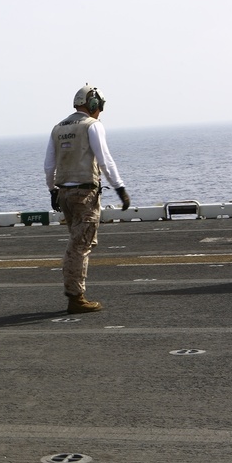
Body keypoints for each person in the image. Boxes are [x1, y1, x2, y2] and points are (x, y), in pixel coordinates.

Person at [45, 84, 131, 314]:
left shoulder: (58, 128)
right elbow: (105, 160)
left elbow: (49, 165)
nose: (100, 112)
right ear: (93, 104)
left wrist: (52, 189)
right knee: (79, 247)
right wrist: (120, 188)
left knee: (79, 242)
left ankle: (76, 294)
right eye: (99, 107)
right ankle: (76, 297)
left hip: (64, 194)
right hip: (85, 193)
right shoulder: (92, 126)